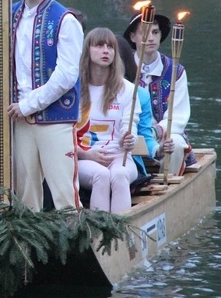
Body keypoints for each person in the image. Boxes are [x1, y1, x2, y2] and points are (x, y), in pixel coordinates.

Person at [8, 0, 83, 211]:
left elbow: (66, 76)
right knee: (25, 191)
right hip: (18, 116)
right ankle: (29, 246)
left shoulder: (65, 20)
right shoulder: (8, 15)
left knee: (63, 190)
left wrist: (29, 104)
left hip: (55, 117)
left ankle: (77, 243)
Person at [76, 28, 139, 213]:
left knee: (119, 175)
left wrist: (128, 139)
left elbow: (131, 128)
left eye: (110, 47)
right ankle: (101, 233)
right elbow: (64, 134)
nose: (106, 51)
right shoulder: (74, 89)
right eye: (99, 46)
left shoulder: (127, 90)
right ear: (87, 50)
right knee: (101, 175)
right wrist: (86, 154)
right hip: (83, 157)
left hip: (119, 156)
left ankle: (123, 233)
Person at [123, 12, 194, 176]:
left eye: (155, 32)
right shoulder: (123, 69)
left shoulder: (175, 71)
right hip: (130, 133)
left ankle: (167, 186)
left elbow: (178, 115)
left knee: (174, 144)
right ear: (133, 37)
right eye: (144, 33)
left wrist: (157, 132)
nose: (151, 38)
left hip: (163, 134)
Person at [116, 35, 174, 176]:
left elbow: (144, 135)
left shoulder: (139, 95)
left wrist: (158, 150)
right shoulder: (83, 91)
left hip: (126, 162)